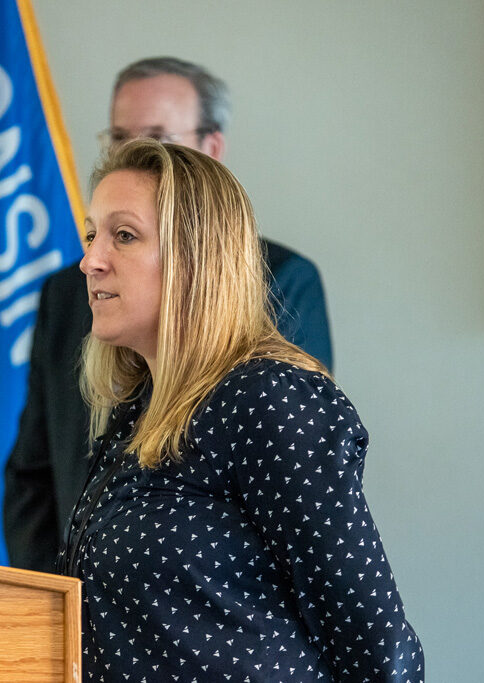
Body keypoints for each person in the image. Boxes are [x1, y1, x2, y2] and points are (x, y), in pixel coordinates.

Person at [65, 138, 422, 681]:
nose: (91, 260)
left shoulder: (267, 398)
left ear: (197, 258)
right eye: (93, 235)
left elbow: (374, 643)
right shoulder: (134, 412)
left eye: (125, 236)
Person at [4, 57, 333, 572]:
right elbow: (35, 472)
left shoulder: (281, 295)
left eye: (158, 138)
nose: (135, 155)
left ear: (212, 151)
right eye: (119, 138)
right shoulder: (70, 295)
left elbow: (328, 576)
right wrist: (52, 612)